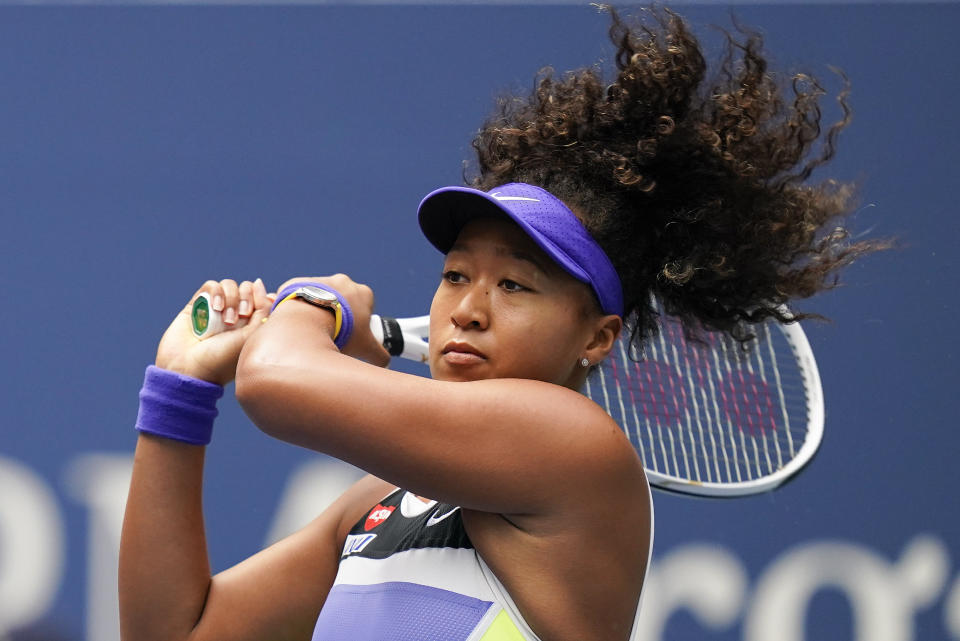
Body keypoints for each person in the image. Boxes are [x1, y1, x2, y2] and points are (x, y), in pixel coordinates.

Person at [119, 7, 882, 641]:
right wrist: (179, 388)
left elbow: (275, 380)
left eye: (514, 283)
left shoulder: (574, 448)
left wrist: (321, 300)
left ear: (597, 336)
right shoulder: (379, 503)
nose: (470, 306)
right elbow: (176, 633)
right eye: (456, 274)